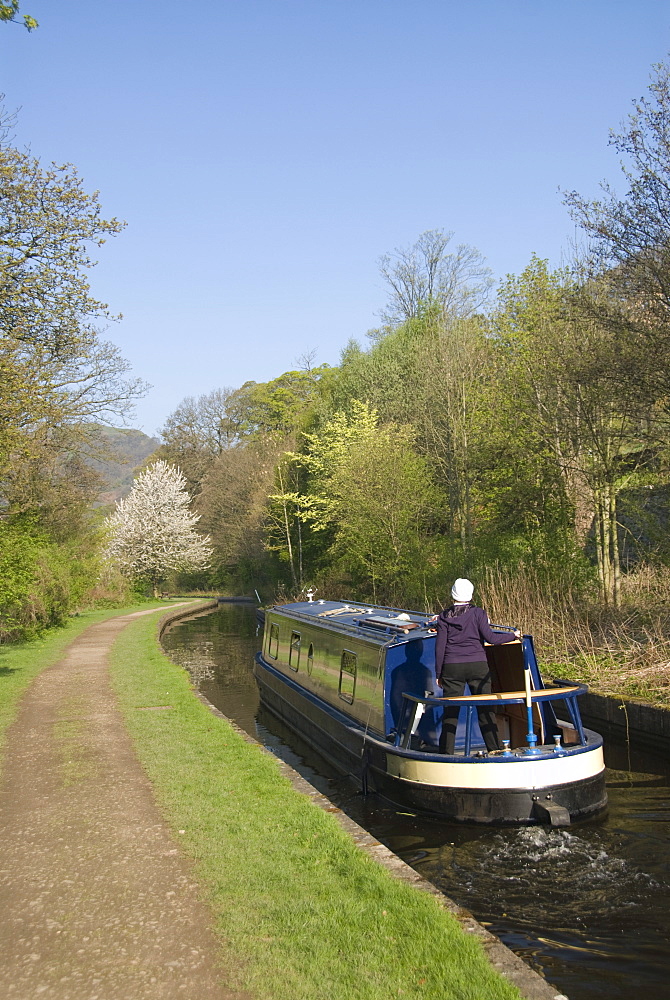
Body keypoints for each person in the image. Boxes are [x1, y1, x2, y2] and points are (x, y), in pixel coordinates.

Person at [432, 578, 521, 755]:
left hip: (452, 667)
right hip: (478, 666)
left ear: (452, 593)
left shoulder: (443, 617)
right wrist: (513, 635)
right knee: (485, 710)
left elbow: (440, 648)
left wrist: (439, 673)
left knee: (450, 712)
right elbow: (492, 639)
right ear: (471, 595)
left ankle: (446, 754)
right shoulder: (479, 613)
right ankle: (494, 750)